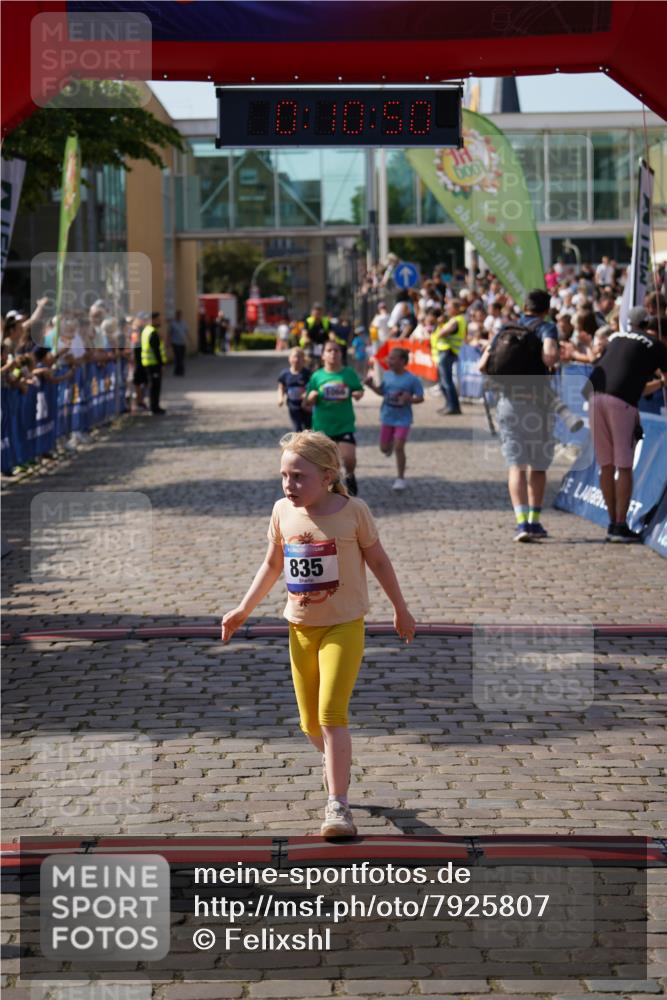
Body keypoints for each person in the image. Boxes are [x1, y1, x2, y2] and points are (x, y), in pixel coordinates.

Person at [220, 430, 416, 838]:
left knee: (330, 713)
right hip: (300, 628)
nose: (289, 485)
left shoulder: (353, 511)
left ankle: (338, 806)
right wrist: (243, 609)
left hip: (344, 626)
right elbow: (272, 565)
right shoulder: (281, 511)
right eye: (284, 476)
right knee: (310, 724)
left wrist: (401, 608)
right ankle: (337, 765)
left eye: (298, 477)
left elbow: (379, 561)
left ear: (327, 476)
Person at [478, 288, 559, 542]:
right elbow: (550, 356)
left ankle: (521, 522)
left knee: (516, 465)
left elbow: (482, 365)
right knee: (538, 465)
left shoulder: (505, 329)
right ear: (546, 309)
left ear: (524, 306)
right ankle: (535, 521)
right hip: (537, 404)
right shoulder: (546, 328)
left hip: (508, 403)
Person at [586, 305, 667, 542]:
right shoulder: (656, 345)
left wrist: (659, 384)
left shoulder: (616, 338)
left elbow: (633, 383)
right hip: (621, 403)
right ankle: (620, 525)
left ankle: (612, 522)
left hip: (594, 396)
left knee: (606, 465)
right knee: (623, 466)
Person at [305, 340, 364, 496]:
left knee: (349, 458)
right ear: (323, 355)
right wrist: (311, 397)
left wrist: (358, 393)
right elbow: (306, 402)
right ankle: (330, 489)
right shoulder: (317, 376)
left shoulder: (348, 373)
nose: (333, 353)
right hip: (322, 426)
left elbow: (359, 390)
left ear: (341, 354)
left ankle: (350, 475)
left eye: (336, 350)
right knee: (325, 464)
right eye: (329, 350)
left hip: (344, 424)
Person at [364, 347, 424, 491]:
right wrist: (371, 386)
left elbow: (420, 398)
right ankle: (388, 446)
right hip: (387, 417)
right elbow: (382, 392)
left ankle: (400, 478)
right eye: (389, 358)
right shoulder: (388, 375)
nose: (388, 361)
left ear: (402, 361)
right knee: (384, 448)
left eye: (392, 358)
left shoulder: (412, 379)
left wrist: (409, 398)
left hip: (403, 419)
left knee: (399, 448)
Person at [431, 298, 467, 415]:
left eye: (449, 307)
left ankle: (453, 406)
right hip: (445, 352)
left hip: (448, 352)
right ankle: (449, 405)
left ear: (456, 309)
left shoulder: (456, 320)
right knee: (443, 382)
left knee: (447, 381)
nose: (446, 309)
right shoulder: (453, 320)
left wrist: (441, 326)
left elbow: (443, 333)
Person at [278, 347, 312, 432]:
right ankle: (298, 444)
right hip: (293, 405)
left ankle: (309, 444)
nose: (296, 359)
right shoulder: (285, 374)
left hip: (306, 405)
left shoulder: (307, 373)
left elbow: (313, 386)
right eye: (294, 357)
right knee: (297, 427)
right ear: (289, 359)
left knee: (308, 427)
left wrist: (307, 395)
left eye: (299, 357)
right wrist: (280, 398)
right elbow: (281, 387)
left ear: (303, 359)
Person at [140, 311, 167, 415]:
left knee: (153, 385)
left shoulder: (146, 330)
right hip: (154, 364)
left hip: (149, 363)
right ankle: (154, 407)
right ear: (153, 320)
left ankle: (154, 406)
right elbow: (156, 350)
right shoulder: (152, 332)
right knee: (155, 386)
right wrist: (161, 365)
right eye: (158, 319)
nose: (160, 321)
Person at [169, 310, 188, 376]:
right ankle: (180, 371)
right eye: (178, 315)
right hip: (175, 343)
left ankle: (177, 370)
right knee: (178, 357)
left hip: (182, 343)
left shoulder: (184, 323)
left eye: (180, 315)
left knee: (181, 357)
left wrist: (190, 340)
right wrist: (168, 342)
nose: (179, 316)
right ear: (176, 315)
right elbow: (169, 333)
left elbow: (186, 332)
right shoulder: (173, 323)